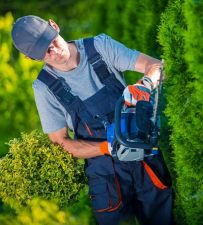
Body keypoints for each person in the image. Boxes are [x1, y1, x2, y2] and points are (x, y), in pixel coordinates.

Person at [11, 15, 173, 225]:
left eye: (52, 41)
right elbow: (62, 145)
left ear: (54, 25)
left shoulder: (100, 47)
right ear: (31, 58)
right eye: (46, 52)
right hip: (106, 177)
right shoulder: (44, 89)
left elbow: (156, 66)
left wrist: (145, 84)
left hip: (143, 155)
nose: (55, 51)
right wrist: (108, 148)